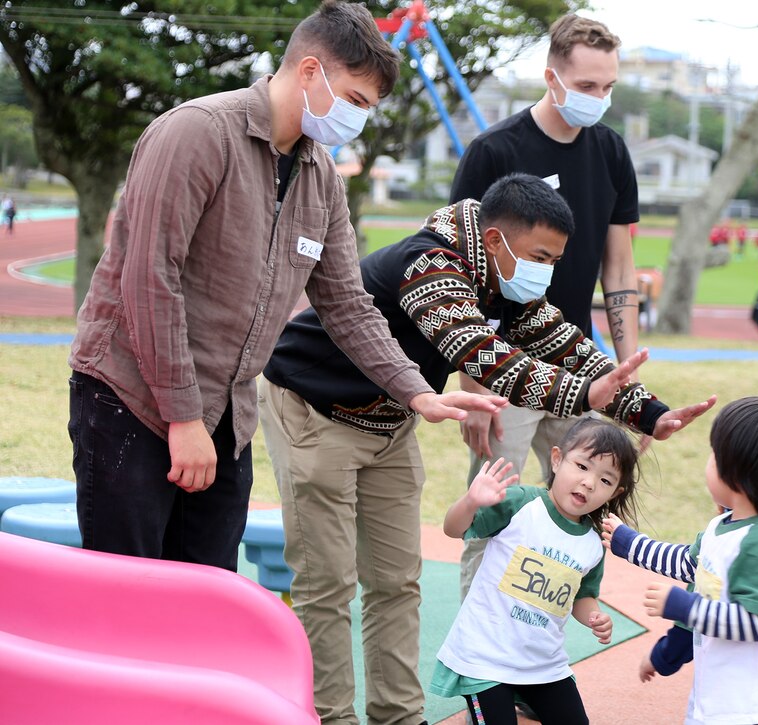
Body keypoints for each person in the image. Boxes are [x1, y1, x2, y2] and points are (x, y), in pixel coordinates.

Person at [260, 173, 714, 725]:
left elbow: (562, 341)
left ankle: (398, 717)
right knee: (327, 585)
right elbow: (482, 354)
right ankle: (330, 719)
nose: (544, 272)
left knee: (397, 581)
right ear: (497, 241)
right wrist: (579, 395)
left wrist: (649, 412)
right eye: (540, 257)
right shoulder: (430, 263)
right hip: (315, 408)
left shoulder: (502, 274)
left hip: (391, 420)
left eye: (554, 260)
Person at [66, 1, 498, 575]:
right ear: (311, 71)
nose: (358, 120)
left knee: (205, 600)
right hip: (135, 399)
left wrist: (417, 392)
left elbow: (347, 304)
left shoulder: (320, 177)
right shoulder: (197, 133)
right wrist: (183, 418)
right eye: (356, 101)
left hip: (224, 412)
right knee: (123, 598)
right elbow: (151, 280)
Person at [447, 14, 642, 599]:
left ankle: (537, 657)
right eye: (587, 87)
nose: (598, 99)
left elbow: (620, 268)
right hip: (503, 370)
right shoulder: (493, 151)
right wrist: (474, 383)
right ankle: (478, 674)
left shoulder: (611, 151)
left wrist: (628, 375)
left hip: (578, 367)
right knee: (493, 519)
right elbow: (459, 272)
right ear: (552, 77)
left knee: (576, 519)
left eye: (608, 88)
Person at [602, 397, 758, 725]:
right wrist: (630, 544)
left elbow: (757, 622)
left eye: (714, 454)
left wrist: (685, 606)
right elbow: (691, 564)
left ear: (737, 476)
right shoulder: (725, 527)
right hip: (725, 697)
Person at [431, 418, 640, 725]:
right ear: (557, 459)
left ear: (614, 492)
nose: (589, 482)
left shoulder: (593, 544)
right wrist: (470, 501)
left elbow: (583, 595)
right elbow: (453, 529)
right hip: (485, 658)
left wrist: (595, 617)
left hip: (543, 664)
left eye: (605, 481)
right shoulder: (520, 504)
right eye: (582, 466)